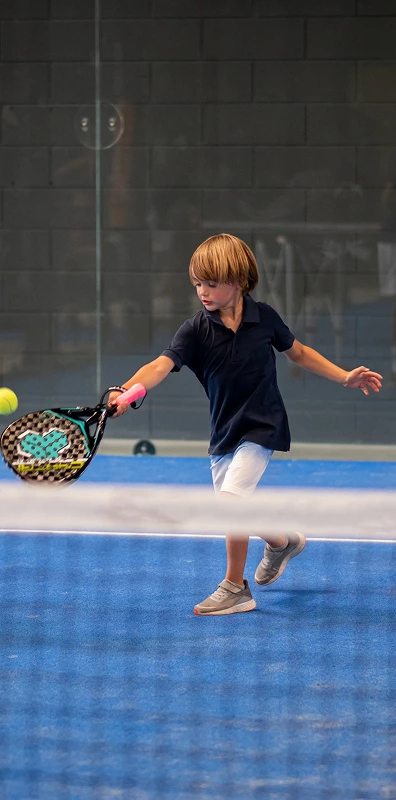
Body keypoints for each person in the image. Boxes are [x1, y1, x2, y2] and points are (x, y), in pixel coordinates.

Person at [110, 233, 382, 616]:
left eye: (211, 283)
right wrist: (126, 390)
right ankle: (282, 541)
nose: (202, 291)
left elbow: (299, 352)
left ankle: (235, 588)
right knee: (234, 509)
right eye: (197, 283)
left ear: (239, 282)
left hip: (263, 425)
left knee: (231, 503)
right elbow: (159, 366)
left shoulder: (265, 317)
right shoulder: (194, 330)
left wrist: (344, 377)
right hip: (224, 432)